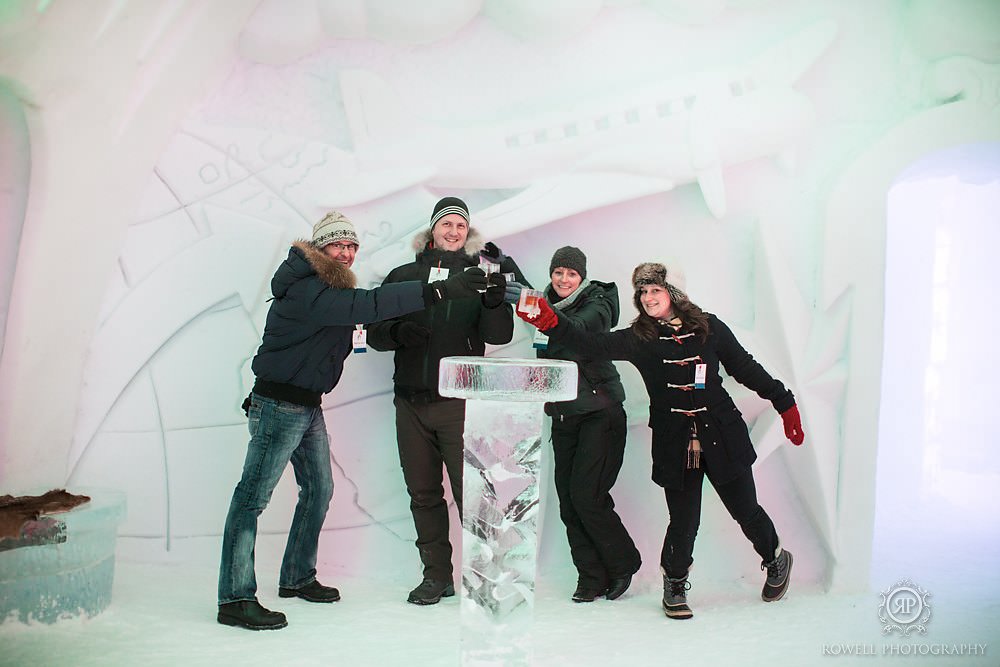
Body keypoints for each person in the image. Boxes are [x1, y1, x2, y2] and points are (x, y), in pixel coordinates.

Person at [217, 211, 488, 630]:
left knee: (320, 489)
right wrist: (439, 292)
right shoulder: (310, 289)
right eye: (336, 245)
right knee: (252, 498)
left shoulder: (327, 287)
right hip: (279, 406)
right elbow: (369, 306)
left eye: (351, 246)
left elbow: (366, 321)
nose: (345, 252)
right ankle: (235, 597)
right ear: (319, 248)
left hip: (307, 405)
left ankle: (297, 576)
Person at [516, 261, 805, 620]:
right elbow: (590, 343)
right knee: (684, 519)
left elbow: (744, 367)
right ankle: (675, 582)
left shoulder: (711, 328)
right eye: (643, 291)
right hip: (676, 441)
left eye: (656, 290)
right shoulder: (640, 338)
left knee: (745, 509)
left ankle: (776, 559)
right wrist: (552, 322)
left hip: (722, 434)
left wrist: (784, 402)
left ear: (675, 294)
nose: (648, 298)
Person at [366, 197, 524, 605]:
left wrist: (492, 303)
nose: (453, 232)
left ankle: (485, 577)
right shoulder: (403, 276)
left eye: (460, 226)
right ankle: (436, 576)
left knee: (472, 496)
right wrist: (399, 334)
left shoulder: (479, 275)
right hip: (411, 404)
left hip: (459, 403)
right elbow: (375, 332)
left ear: (467, 233)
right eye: (446, 224)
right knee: (423, 494)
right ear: (432, 229)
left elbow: (500, 336)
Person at [531, 246, 641, 603]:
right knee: (568, 501)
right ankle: (590, 577)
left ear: (582, 277)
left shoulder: (598, 302)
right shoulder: (544, 306)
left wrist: (548, 319)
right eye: (558, 272)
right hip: (564, 415)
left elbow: (579, 328)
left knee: (587, 496)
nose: (564, 280)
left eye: (571, 274)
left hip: (600, 413)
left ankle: (623, 563)